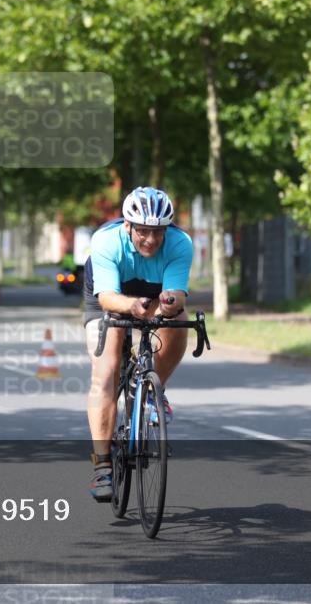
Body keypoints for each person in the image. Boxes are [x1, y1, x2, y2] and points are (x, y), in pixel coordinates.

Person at [83, 187, 194, 502]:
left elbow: (177, 295)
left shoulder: (180, 243)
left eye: (157, 232)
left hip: (155, 288)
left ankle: (153, 390)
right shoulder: (106, 240)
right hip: (108, 291)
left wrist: (171, 302)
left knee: (176, 321)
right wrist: (132, 308)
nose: (150, 239)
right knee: (105, 372)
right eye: (143, 231)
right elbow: (106, 298)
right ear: (127, 226)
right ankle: (102, 465)